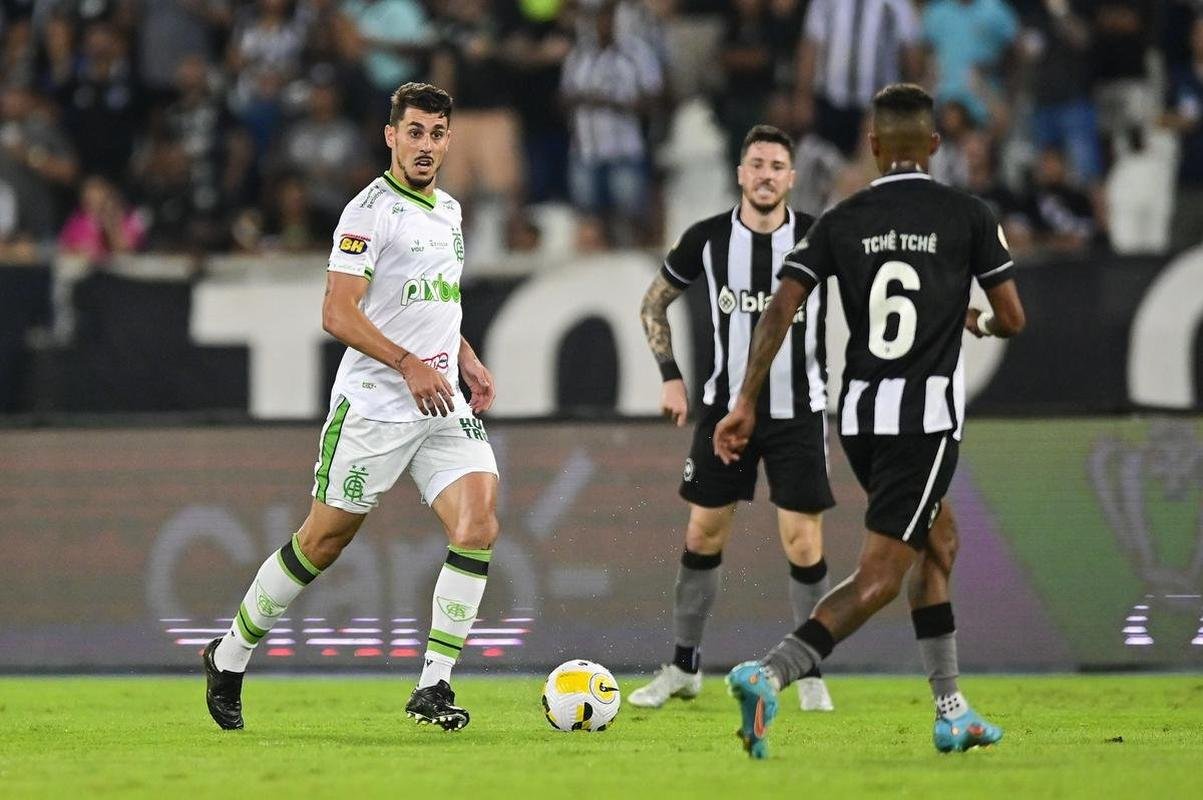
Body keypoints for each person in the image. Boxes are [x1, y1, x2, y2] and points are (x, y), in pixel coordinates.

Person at [715, 84, 1026, 759]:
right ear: (935, 146)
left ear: (875, 146)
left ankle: (951, 711)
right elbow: (1012, 317)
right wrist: (978, 321)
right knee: (884, 572)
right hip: (924, 420)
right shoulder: (968, 214)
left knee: (938, 543)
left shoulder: (840, 217)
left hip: (856, 416)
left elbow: (779, 310)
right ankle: (770, 674)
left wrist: (744, 399)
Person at [203, 82, 502, 733]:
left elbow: (431, 303)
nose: (426, 145)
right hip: (375, 407)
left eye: (436, 134)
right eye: (414, 132)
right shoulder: (368, 212)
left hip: (441, 402)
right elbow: (337, 312)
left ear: (448, 140)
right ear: (390, 137)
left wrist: (465, 355)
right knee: (321, 543)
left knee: (478, 523)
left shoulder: (447, 210)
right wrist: (406, 363)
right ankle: (228, 655)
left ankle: (433, 686)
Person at [632, 124, 835, 713]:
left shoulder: (819, 239)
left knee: (801, 541)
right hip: (724, 411)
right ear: (740, 175)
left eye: (777, 165)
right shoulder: (708, 238)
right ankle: (684, 665)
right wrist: (671, 374)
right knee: (702, 533)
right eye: (757, 165)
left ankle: (808, 668)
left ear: (791, 179)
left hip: (798, 409)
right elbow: (653, 303)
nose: (766, 175)